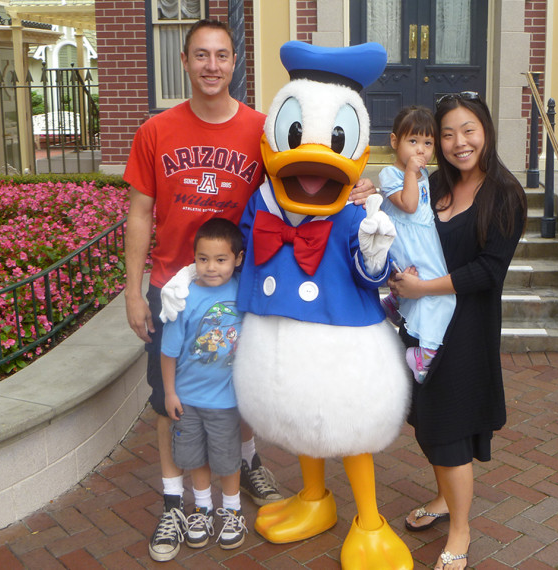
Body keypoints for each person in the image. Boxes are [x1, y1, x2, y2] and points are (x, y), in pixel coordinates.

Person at [122, 19, 376, 562]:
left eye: (222, 55)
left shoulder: (265, 127)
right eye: (201, 56)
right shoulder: (156, 130)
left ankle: (246, 472)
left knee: (240, 392)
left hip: (243, 291)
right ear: (185, 62)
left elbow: (307, 183)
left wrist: (359, 190)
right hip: (175, 286)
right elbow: (139, 213)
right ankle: (177, 505)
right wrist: (134, 290)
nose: (212, 66)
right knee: (173, 403)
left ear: (234, 63)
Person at [389, 92, 527, 570]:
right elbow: (404, 226)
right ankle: (446, 499)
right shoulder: (431, 185)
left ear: (485, 131)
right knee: (427, 422)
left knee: (448, 428)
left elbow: (489, 271)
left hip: (465, 332)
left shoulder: (505, 195)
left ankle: (462, 530)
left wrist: (424, 286)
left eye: (467, 129)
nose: (456, 142)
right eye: (446, 133)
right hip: (422, 325)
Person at [160, 219, 247, 558]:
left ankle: (232, 510)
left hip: (226, 400)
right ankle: (202, 509)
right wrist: (169, 393)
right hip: (188, 399)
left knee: (227, 458)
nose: (211, 267)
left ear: (237, 259)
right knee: (194, 457)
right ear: (193, 258)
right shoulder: (182, 298)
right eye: (203, 259)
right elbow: (168, 352)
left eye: (221, 259)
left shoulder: (243, 290)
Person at [378, 105, 455, 383]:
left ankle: (395, 302)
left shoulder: (423, 176)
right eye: (413, 141)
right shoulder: (390, 173)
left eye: (427, 143)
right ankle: (423, 354)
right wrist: (410, 171)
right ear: (395, 141)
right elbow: (409, 205)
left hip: (423, 240)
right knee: (440, 293)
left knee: (437, 290)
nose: (420, 150)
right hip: (406, 242)